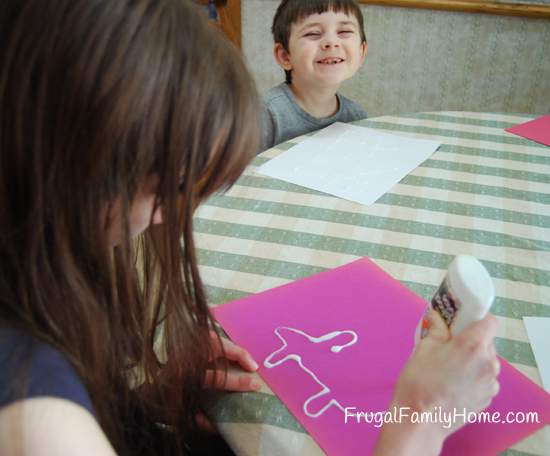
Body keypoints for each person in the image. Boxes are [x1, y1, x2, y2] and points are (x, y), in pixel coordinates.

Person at [0, 1, 499, 455]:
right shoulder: (34, 415)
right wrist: (419, 423)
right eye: (164, 184)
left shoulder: (42, 292)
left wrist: (149, 400)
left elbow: (93, 411)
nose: (170, 213)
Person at [259, 0, 369, 152]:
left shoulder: (356, 116)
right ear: (285, 56)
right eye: (313, 33)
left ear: (361, 52)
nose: (331, 42)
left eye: (344, 32)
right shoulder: (266, 115)